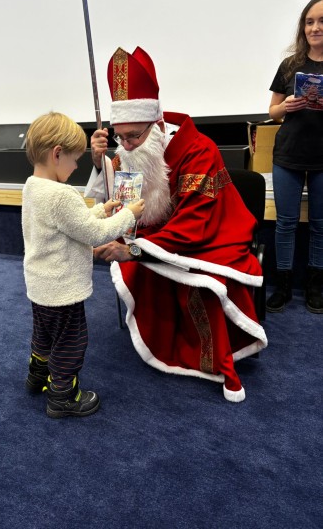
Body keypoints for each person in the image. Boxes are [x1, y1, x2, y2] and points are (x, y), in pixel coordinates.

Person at [85, 46, 267, 403]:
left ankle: (203, 356)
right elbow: (121, 194)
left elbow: (194, 223)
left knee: (201, 282)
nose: (126, 146)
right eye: (120, 137)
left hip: (209, 236)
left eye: (133, 136)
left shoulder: (199, 149)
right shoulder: (133, 147)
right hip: (159, 233)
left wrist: (132, 250)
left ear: (156, 126)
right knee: (142, 266)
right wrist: (99, 161)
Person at [22, 111, 145, 418]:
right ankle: (63, 396)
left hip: (40, 286)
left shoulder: (32, 186)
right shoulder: (62, 194)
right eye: (75, 160)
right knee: (71, 341)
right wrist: (128, 214)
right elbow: (94, 234)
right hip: (63, 290)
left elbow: (67, 225)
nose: (77, 166)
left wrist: (102, 209)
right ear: (57, 154)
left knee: (43, 334)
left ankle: (37, 375)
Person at [266, 0, 323, 314]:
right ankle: (283, 285)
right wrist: (285, 106)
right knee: (285, 223)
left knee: (320, 225)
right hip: (288, 155)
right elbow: (273, 112)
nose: (315, 28)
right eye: (309, 22)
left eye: (322, 21)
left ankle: (315, 285)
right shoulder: (290, 65)